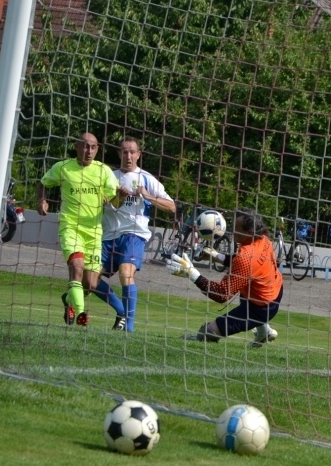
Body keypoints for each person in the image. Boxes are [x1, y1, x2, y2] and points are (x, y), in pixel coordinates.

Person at [93, 136, 176, 332]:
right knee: (89, 280)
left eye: (132, 152)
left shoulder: (147, 178)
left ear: (139, 154)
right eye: (124, 151)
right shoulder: (108, 176)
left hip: (134, 235)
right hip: (108, 237)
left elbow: (172, 207)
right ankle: (122, 310)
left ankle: (129, 328)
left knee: (125, 273)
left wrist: (147, 195)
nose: (128, 156)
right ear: (119, 153)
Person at [165, 208, 282, 347]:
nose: (232, 231)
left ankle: (262, 328)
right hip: (273, 291)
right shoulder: (263, 239)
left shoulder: (247, 257)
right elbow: (244, 263)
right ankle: (265, 332)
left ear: (249, 233)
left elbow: (222, 294)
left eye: (237, 229)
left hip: (260, 308)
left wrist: (192, 273)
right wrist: (216, 256)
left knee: (207, 333)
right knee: (245, 287)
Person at [38, 133, 119, 326]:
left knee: (90, 283)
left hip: (94, 231)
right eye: (85, 146)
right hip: (70, 227)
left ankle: (69, 300)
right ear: (76, 146)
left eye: (93, 147)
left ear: (98, 149)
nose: (88, 151)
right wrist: (42, 200)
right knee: (76, 267)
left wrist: (120, 196)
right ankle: (82, 316)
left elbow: (115, 203)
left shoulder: (104, 171)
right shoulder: (63, 167)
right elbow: (43, 183)